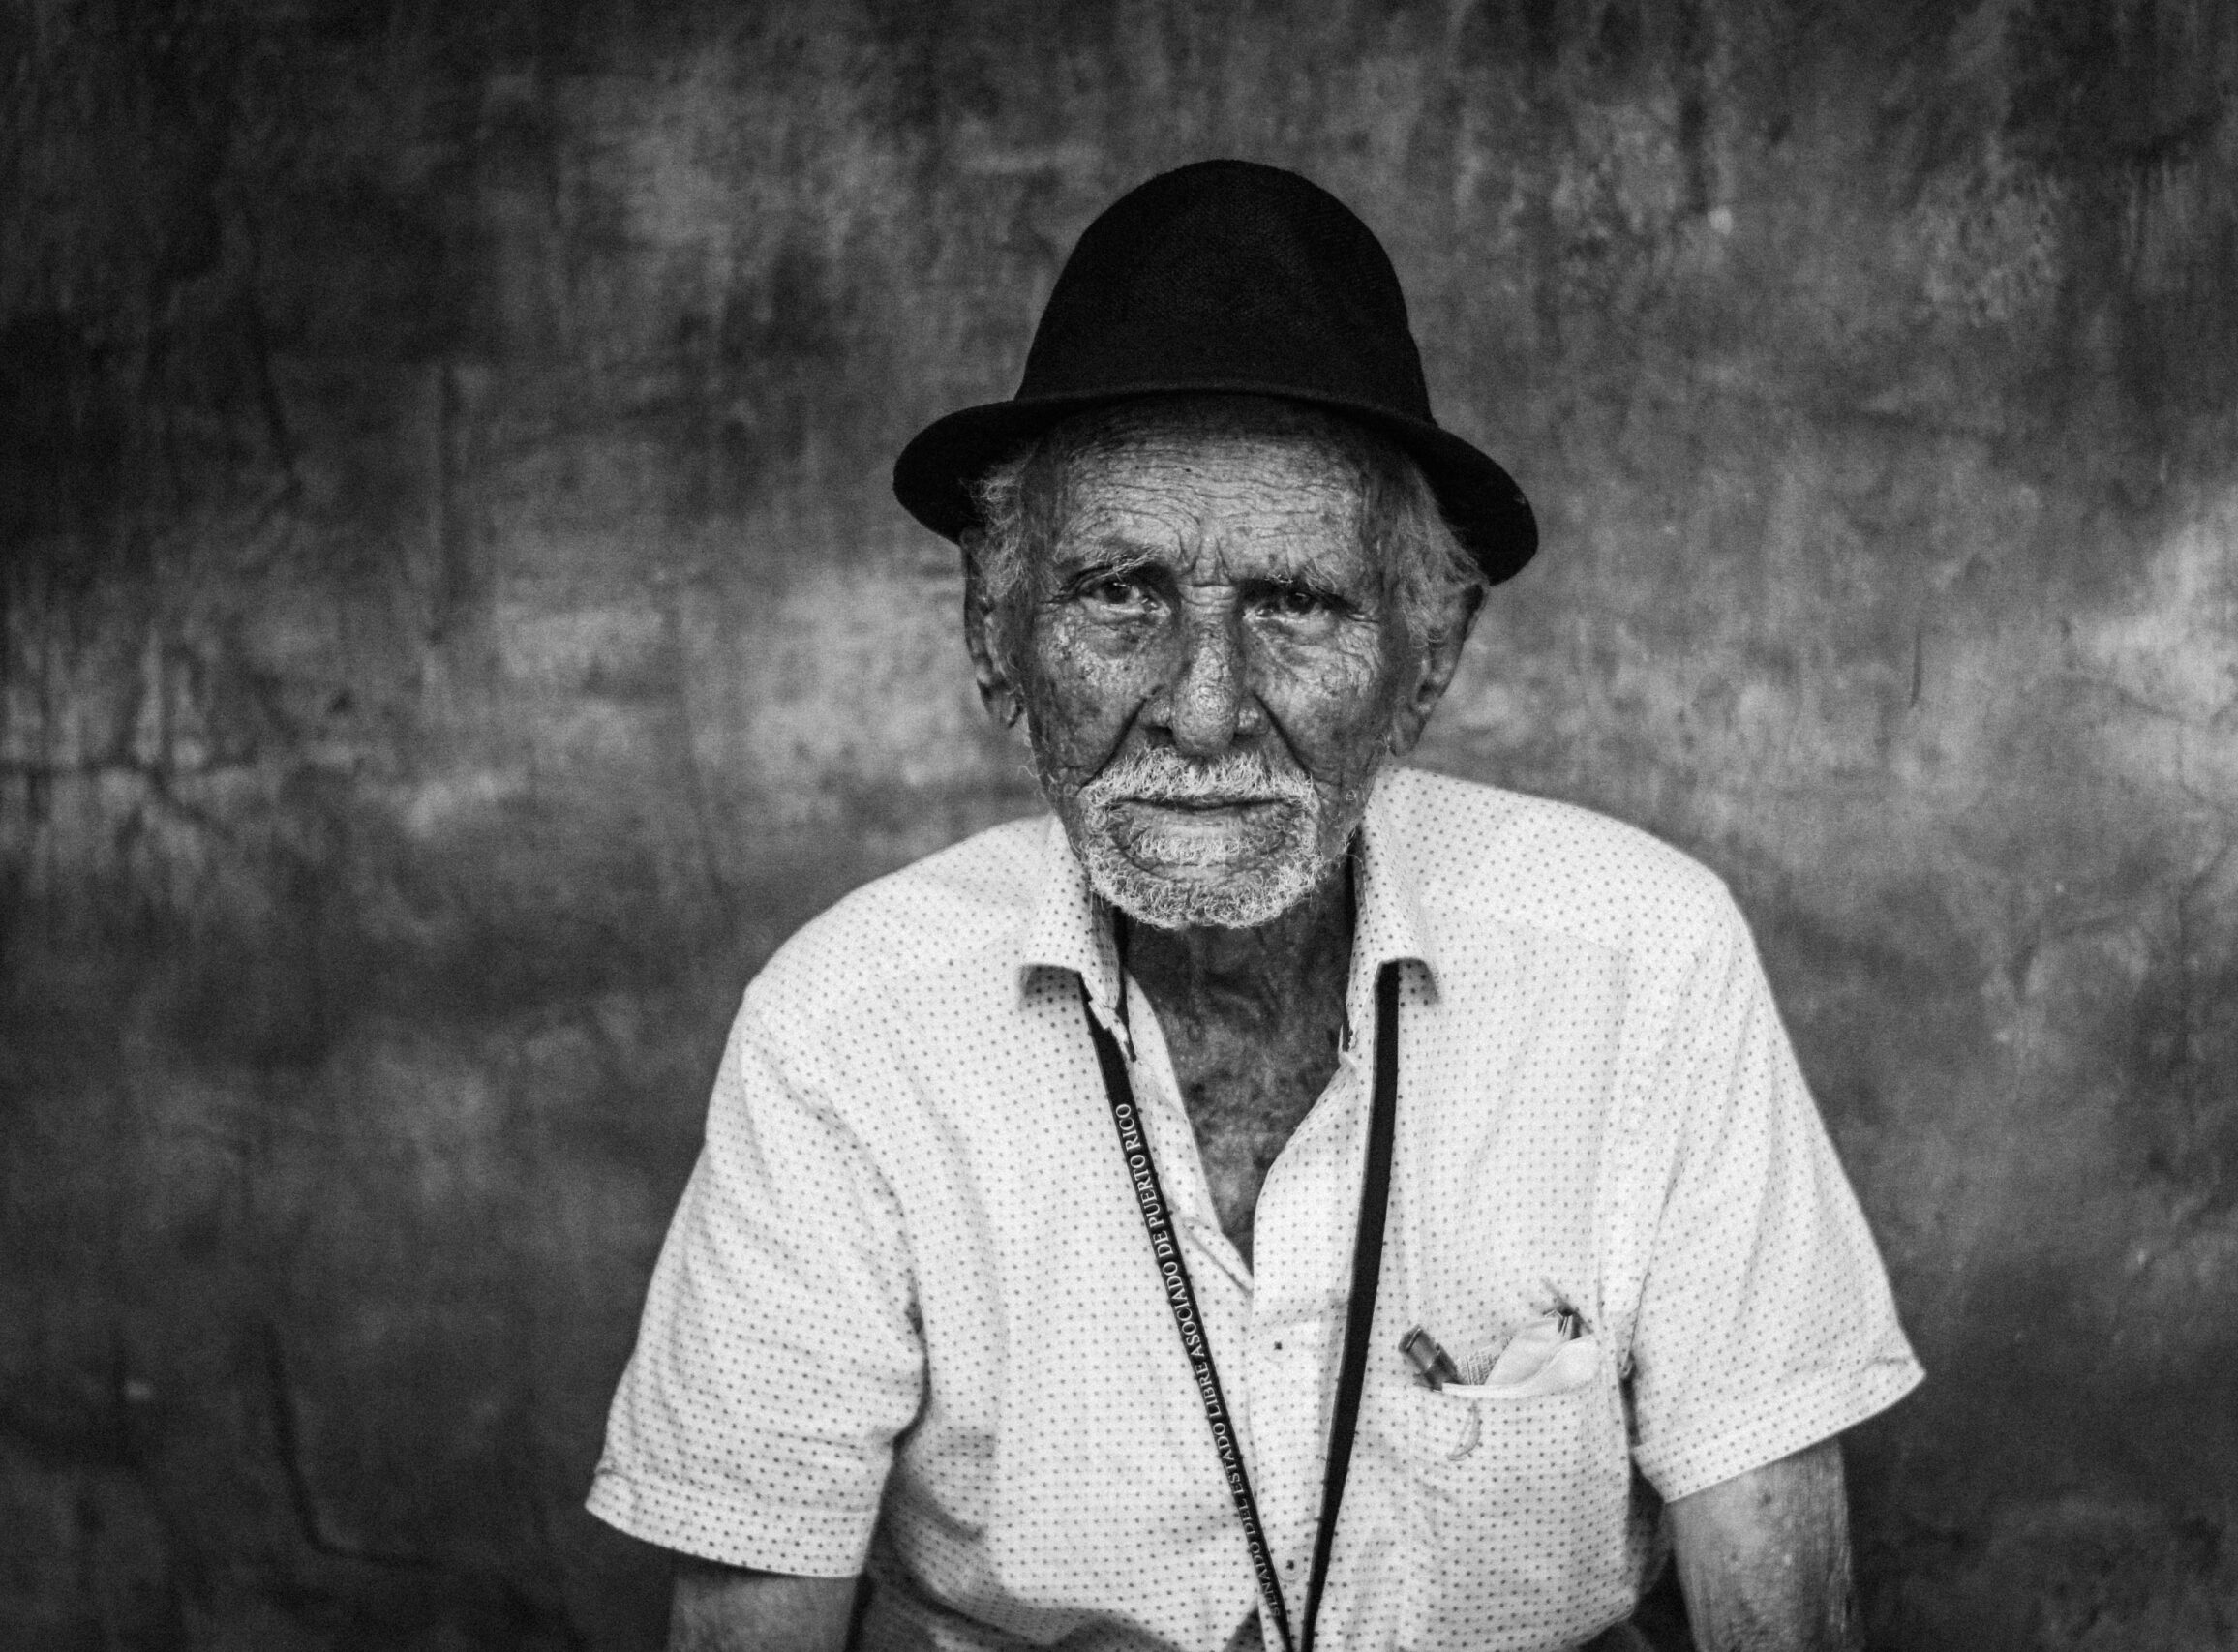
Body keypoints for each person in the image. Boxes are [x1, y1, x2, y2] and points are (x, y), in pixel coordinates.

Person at [588, 159, 1921, 1652]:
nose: (1206, 712)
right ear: (995, 634)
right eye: (1119, 595)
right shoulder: (843, 1032)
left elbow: (1779, 1606)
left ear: (1428, 655)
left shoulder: (1643, 958)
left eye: (1296, 604)